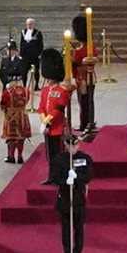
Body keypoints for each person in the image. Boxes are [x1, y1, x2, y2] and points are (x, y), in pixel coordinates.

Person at [50, 132, 93, 253]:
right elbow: (54, 178)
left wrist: (77, 178)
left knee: (79, 229)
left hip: (79, 198)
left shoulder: (85, 158)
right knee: (66, 229)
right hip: (65, 198)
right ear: (65, 145)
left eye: (76, 145)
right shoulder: (59, 159)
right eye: (70, 145)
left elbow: (88, 176)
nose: (74, 148)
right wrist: (65, 180)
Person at [38, 48, 72, 185]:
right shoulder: (45, 90)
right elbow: (41, 107)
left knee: (59, 154)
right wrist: (43, 123)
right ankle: (51, 176)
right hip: (47, 129)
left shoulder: (62, 91)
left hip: (57, 128)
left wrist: (47, 122)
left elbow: (59, 109)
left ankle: (60, 177)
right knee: (49, 155)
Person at [71, 15, 98, 132]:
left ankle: (85, 124)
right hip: (87, 77)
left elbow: (76, 61)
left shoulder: (82, 49)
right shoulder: (89, 46)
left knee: (84, 102)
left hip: (83, 78)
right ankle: (88, 122)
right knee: (88, 101)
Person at [0, 76, 32, 163]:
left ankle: (11, 156)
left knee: (11, 138)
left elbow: (3, 104)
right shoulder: (26, 91)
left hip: (11, 116)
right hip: (22, 116)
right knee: (21, 138)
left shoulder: (7, 92)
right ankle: (20, 156)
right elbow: (27, 100)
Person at [19, 18, 45, 89]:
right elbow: (21, 43)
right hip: (25, 56)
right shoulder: (23, 32)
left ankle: (36, 85)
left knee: (36, 71)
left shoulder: (38, 33)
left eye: (30, 24)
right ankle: (24, 86)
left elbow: (41, 44)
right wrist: (21, 54)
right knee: (24, 72)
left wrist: (40, 54)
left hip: (34, 56)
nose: (29, 25)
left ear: (33, 24)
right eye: (28, 24)